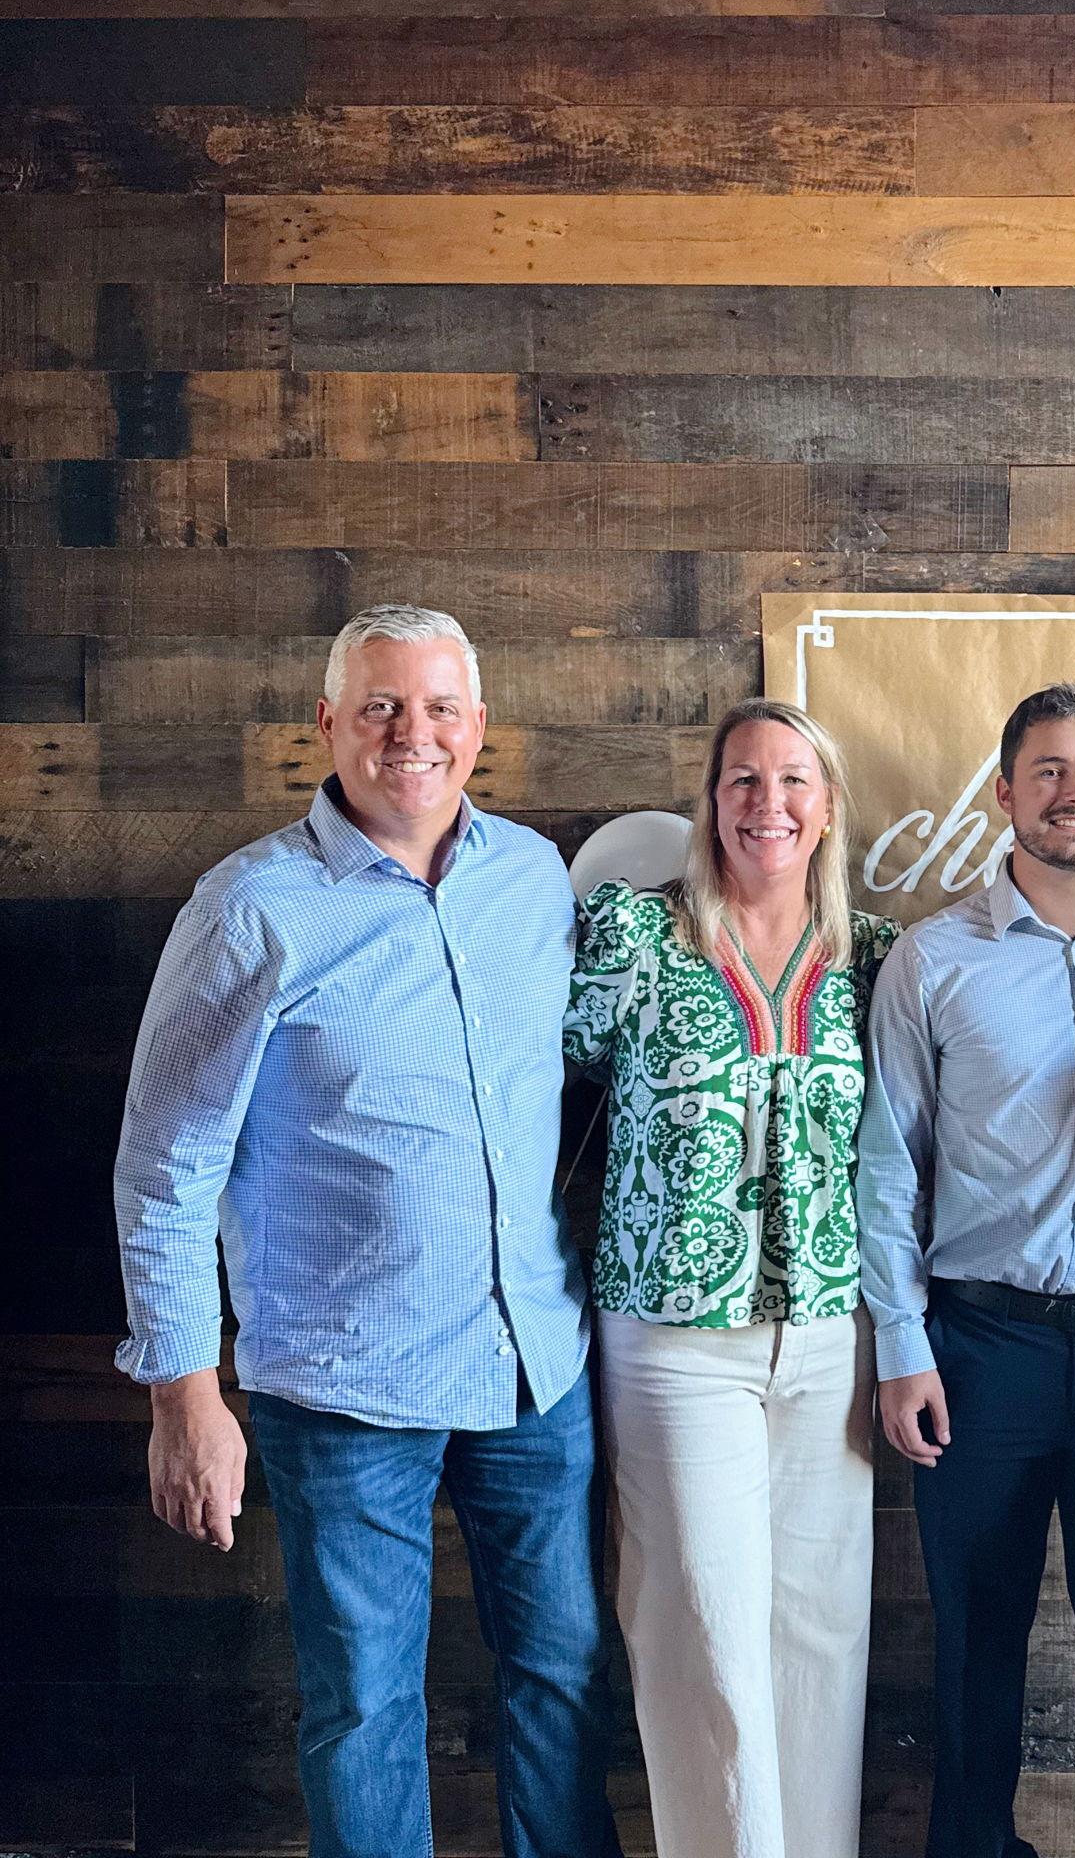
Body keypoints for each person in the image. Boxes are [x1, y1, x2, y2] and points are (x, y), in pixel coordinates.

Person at [111, 603, 620, 1858]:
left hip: (532, 1366)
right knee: (363, 1706)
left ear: (479, 726)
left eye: (440, 707)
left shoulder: (532, 879)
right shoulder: (250, 908)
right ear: (327, 722)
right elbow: (166, 1164)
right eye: (382, 705)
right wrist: (185, 1393)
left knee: (563, 1673)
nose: (412, 733)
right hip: (344, 1383)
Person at [858, 682, 1075, 1858]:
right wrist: (901, 1346)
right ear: (1004, 791)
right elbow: (887, 1165)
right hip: (978, 1346)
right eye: (1049, 769)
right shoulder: (929, 958)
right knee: (974, 1646)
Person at [565, 698, 895, 1858]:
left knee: (818, 1628)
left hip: (830, 1332)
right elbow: (530, 1072)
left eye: (793, 779)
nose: (768, 802)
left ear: (827, 806)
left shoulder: (871, 958)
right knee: (699, 1624)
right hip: (673, 1335)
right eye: (742, 779)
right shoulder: (638, 933)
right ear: (709, 802)